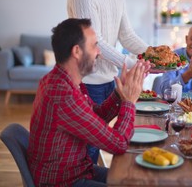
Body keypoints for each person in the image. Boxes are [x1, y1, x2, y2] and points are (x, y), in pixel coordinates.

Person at [27, 18, 146, 186]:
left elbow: (95, 116)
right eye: (94, 45)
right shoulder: (62, 94)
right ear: (77, 51)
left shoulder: (66, 81)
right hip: (64, 181)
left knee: (135, 179)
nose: (99, 52)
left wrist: (121, 94)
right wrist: (129, 102)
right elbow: (118, 144)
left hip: (80, 171)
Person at [67, 0, 150, 162]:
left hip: (110, 81)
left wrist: (152, 55)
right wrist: (133, 64)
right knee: (89, 148)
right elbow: (98, 44)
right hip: (88, 82)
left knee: (100, 140)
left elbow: (127, 36)